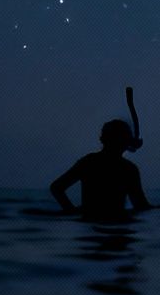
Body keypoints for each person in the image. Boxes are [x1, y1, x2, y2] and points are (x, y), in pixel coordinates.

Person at [51, 89, 151, 220]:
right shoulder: (128, 169)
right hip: (119, 225)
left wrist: (72, 212)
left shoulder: (89, 162)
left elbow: (57, 187)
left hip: (91, 226)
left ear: (103, 139)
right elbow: (140, 206)